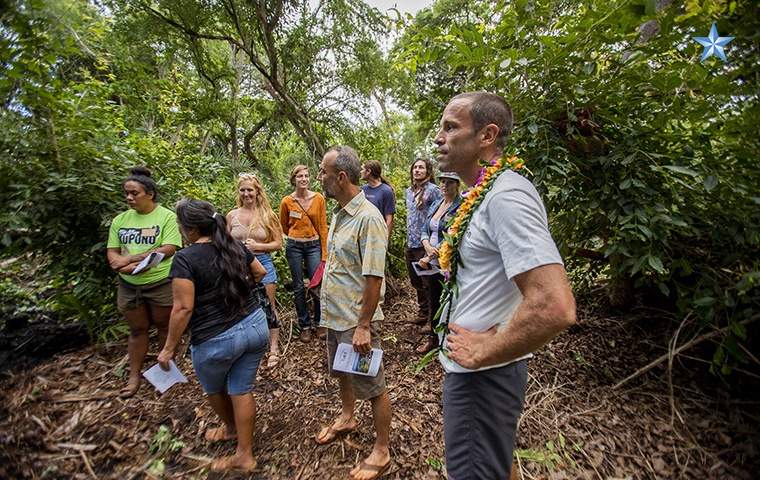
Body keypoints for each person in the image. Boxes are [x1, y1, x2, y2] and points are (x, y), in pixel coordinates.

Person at [433, 91, 577, 480]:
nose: (438, 138)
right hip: (482, 373)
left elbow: (554, 304)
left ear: (487, 135)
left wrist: (483, 352)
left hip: (483, 379)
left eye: (450, 127)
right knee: (498, 465)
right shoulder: (480, 195)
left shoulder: (505, 196)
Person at [157, 198, 269, 474]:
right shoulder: (233, 245)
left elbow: (183, 308)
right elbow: (260, 272)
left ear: (191, 230)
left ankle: (231, 429)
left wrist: (168, 348)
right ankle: (243, 453)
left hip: (216, 338)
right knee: (241, 389)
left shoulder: (185, 259)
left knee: (214, 388)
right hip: (255, 326)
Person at [315, 146, 392, 480]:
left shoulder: (369, 218)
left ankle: (382, 449)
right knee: (341, 371)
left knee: (372, 384)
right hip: (335, 313)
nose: (320, 177)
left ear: (341, 177)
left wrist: (363, 327)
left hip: (354, 318)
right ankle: (348, 416)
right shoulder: (339, 212)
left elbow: (373, 276)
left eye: (323, 172)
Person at [106, 166, 182, 398]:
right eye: (127, 193)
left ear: (149, 194)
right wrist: (124, 265)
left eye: (134, 193)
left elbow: (168, 248)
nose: (129, 198)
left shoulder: (166, 216)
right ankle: (134, 376)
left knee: (164, 327)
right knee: (137, 330)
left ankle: (165, 373)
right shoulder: (120, 220)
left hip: (159, 280)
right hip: (129, 283)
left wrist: (132, 259)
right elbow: (112, 251)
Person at [227, 173, 283, 369]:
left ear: (257, 191)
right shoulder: (231, 216)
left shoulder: (267, 215)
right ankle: (247, 347)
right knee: (242, 307)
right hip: (238, 267)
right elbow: (224, 243)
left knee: (268, 306)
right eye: (242, 190)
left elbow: (278, 243)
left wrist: (258, 247)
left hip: (263, 264)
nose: (246, 193)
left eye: (250, 189)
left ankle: (273, 348)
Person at [280, 165, 328, 342]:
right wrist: (297, 236)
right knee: (298, 286)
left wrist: (324, 253)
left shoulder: (318, 198)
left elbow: (323, 227)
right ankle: (305, 326)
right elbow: (285, 226)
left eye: (306, 176)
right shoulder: (287, 201)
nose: (304, 179)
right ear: (293, 179)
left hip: (314, 245)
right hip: (294, 246)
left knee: (317, 284)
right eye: (300, 176)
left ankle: (320, 322)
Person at [415, 171, 462, 354]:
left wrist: (431, 255)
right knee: (434, 298)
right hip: (432, 259)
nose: (445, 185)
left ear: (457, 185)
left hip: (447, 260)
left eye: (450, 182)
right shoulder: (436, 204)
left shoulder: (460, 207)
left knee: (450, 299)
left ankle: (452, 338)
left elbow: (452, 233)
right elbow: (425, 228)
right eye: (442, 182)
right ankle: (434, 338)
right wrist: (426, 246)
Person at [404, 158, 443, 327]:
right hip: (411, 242)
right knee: (416, 281)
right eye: (415, 167)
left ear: (428, 171)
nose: (417, 170)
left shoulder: (433, 191)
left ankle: (432, 319)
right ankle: (423, 311)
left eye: (421, 167)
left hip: (425, 243)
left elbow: (442, 211)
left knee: (428, 283)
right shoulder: (409, 191)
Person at [360, 160, 396, 242]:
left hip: (377, 236)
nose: (360, 172)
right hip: (363, 235)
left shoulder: (386, 191)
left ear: (368, 171)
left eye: (362, 169)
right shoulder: (363, 189)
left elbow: (389, 220)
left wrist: (385, 241)